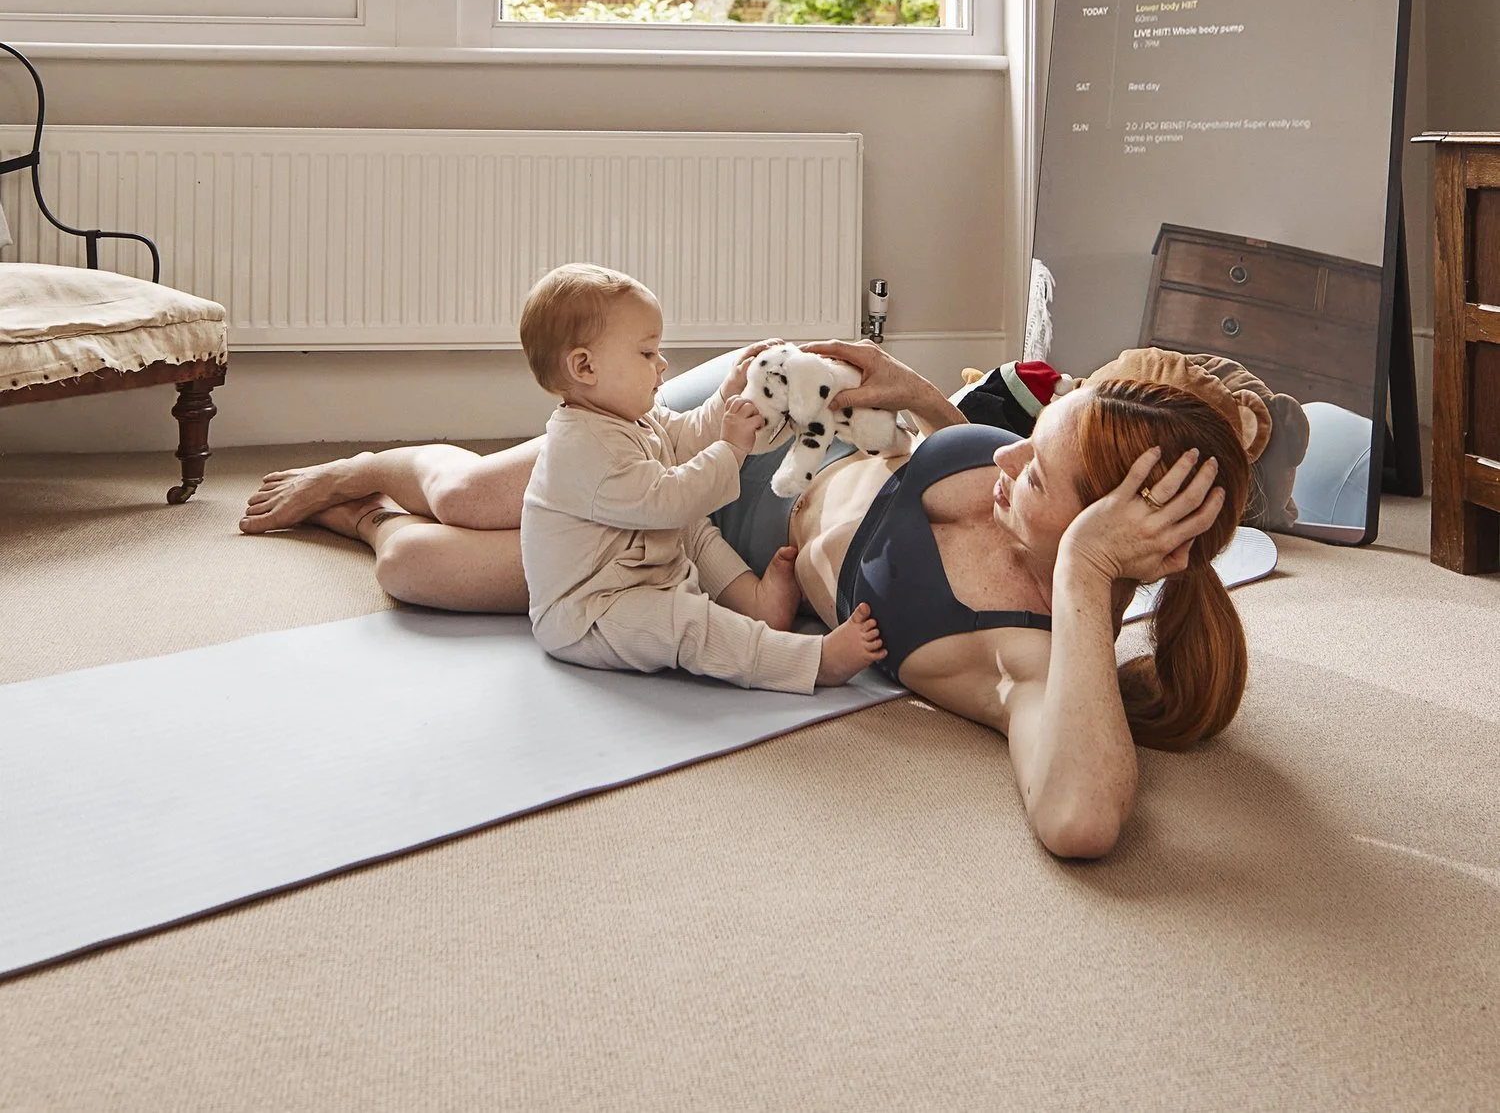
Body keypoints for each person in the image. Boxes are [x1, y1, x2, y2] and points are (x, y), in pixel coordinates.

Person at [240, 338, 1240, 859]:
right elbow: (948, 450)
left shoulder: (1024, 654)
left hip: (697, 561)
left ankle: (367, 516)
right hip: (748, 433)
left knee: (417, 569)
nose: (1007, 452)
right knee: (463, 493)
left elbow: (1079, 820)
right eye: (1035, 430)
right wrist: (920, 396)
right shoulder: (1015, 470)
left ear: (1099, 543)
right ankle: (366, 465)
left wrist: (1083, 576)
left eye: (1038, 471)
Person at [515, 264, 885, 691]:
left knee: (694, 531)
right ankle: (811, 663)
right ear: (585, 366)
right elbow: (667, 500)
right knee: (688, 625)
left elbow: (686, 436)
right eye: (646, 353)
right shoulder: (581, 447)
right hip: (593, 612)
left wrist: (727, 394)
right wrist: (730, 449)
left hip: (641, 569)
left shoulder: (631, 418)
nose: (662, 364)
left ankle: (756, 603)